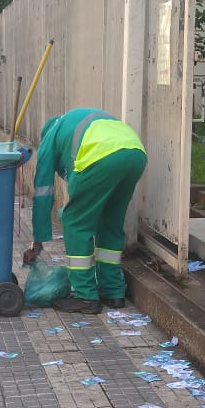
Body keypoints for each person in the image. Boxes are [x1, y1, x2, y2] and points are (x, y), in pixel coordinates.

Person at [23, 108, 147, 313]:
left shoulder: (49, 139)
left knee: (75, 221)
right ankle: (113, 291)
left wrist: (37, 240)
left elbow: (43, 192)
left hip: (101, 156)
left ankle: (85, 296)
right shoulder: (76, 121)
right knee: (110, 221)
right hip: (135, 153)